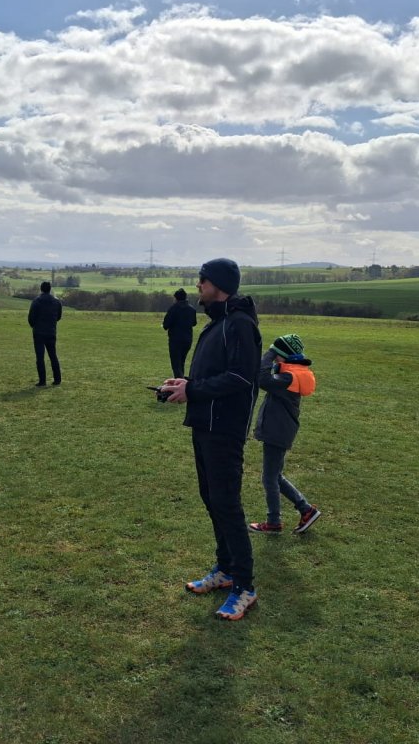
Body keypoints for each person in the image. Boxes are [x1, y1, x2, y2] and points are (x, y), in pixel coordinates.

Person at [160, 258, 262, 621]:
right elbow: (214, 374)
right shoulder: (218, 323)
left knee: (227, 504)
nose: (198, 287)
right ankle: (225, 569)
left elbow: (240, 377)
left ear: (217, 285)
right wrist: (185, 383)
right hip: (205, 425)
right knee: (212, 499)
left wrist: (193, 390)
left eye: (202, 281)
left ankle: (244, 587)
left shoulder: (239, 324)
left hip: (225, 430)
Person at [248, 334, 322, 535]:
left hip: (277, 431)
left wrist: (270, 352)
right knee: (275, 476)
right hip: (280, 429)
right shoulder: (292, 374)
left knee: (269, 478)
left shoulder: (288, 377)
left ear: (284, 355)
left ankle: (274, 522)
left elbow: (262, 378)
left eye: (277, 354)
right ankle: (306, 510)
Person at [28, 281, 62, 387]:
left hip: (38, 332)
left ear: (41, 289)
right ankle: (57, 379)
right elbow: (58, 317)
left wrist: (34, 326)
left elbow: (31, 318)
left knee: (40, 357)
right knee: (53, 356)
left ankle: (42, 381)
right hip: (51, 332)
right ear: (50, 289)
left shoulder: (36, 301)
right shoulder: (57, 302)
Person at [162, 288, 198, 378]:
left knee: (176, 364)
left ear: (176, 298)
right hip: (188, 339)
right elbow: (194, 323)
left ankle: (179, 382)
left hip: (175, 340)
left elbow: (166, 325)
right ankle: (181, 381)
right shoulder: (192, 309)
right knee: (182, 362)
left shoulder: (173, 309)